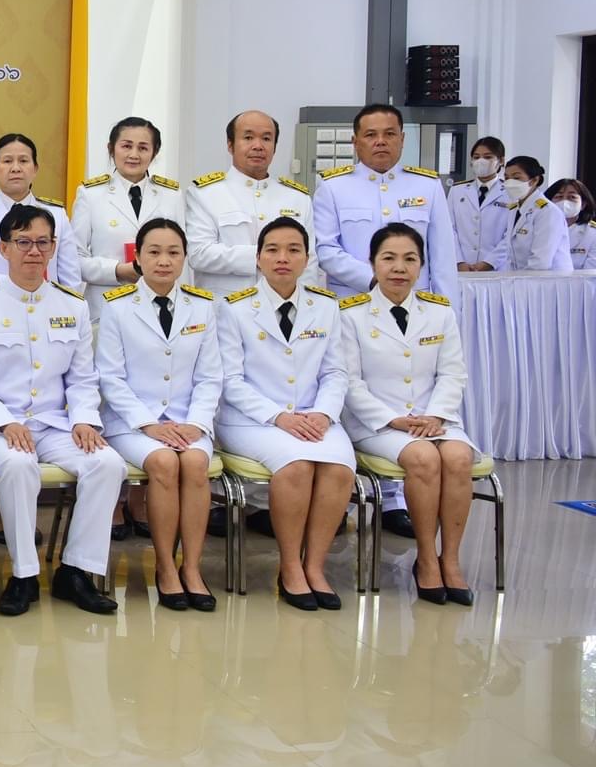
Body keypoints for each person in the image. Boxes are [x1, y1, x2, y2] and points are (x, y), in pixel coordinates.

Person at [0, 203, 121, 616]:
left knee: (107, 464)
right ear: (3, 248)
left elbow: (82, 379)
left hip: (53, 423)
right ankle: (24, 575)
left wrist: (84, 420)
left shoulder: (73, 306)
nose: (33, 251)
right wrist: (4, 423)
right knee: (17, 465)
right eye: (23, 242)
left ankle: (76, 572)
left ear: (53, 248)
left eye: (42, 243)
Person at [215, 216, 354, 612]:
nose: (282, 258)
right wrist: (279, 417)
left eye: (293, 250)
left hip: (314, 417)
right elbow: (231, 381)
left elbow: (335, 372)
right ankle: (290, 567)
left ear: (307, 259)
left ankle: (315, 567)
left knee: (339, 469)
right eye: (272, 250)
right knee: (296, 467)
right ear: (258, 258)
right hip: (252, 421)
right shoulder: (234, 308)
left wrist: (324, 414)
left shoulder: (325, 306)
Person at [336, 224, 478, 605]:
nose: (399, 268)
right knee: (423, 459)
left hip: (435, 419)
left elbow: (453, 373)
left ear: (421, 266)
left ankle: (451, 560)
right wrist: (392, 420)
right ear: (373, 264)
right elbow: (349, 382)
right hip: (378, 424)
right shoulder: (351, 315)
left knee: (459, 457)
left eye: (410, 259)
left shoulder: (439, 312)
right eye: (389, 258)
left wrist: (437, 415)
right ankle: (427, 559)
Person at [94, 219, 222, 612]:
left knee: (195, 463)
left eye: (173, 253)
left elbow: (210, 377)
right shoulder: (116, 306)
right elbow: (110, 379)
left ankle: (192, 568)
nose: (163, 261)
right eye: (154, 252)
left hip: (188, 421)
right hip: (132, 423)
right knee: (165, 463)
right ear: (138, 258)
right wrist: (149, 424)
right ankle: (166, 567)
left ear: (184, 258)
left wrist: (196, 424)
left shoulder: (203, 306)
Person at [311, 103, 457, 297]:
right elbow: (325, 249)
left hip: (413, 303)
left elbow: (443, 259)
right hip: (354, 301)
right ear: (355, 142)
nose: (380, 141)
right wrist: (372, 278)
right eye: (371, 135)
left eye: (389, 134)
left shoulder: (428, 186)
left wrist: (447, 310)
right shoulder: (333, 187)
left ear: (402, 139)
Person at [185, 109, 316, 298]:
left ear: (275, 147)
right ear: (230, 145)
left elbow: (309, 263)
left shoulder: (297, 198)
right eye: (248, 138)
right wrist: (265, 256)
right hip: (224, 307)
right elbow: (199, 254)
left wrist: (306, 305)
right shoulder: (204, 194)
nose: (258, 146)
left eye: (266, 138)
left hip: (283, 306)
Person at [70, 117, 184, 323]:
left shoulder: (171, 195)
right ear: (111, 149)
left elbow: (183, 253)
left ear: (155, 152)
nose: (134, 155)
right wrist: (117, 271)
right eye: (126, 146)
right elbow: (74, 258)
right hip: (106, 305)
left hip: (159, 305)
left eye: (143, 148)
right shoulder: (90, 194)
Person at [0, 133, 82, 295]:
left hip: (47, 305)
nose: (16, 168)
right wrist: (18, 283)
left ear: (35, 169)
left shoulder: (56, 214)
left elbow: (71, 279)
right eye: (7, 161)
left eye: (23, 161)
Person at [448, 136, 513, 271]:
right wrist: (459, 261)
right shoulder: (457, 191)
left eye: (488, 157)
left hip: (497, 268)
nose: (481, 161)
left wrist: (489, 262)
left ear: (501, 161)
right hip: (461, 268)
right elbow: (449, 229)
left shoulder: (510, 192)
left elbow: (510, 234)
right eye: (476, 157)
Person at [499, 156, 572, 272]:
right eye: (506, 178)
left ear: (534, 180)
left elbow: (541, 262)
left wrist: (518, 280)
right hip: (522, 278)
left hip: (548, 279)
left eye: (516, 178)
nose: (510, 183)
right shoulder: (514, 209)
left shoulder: (547, 212)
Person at [543, 178, 594, 269]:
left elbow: (591, 273)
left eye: (572, 197)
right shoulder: (539, 227)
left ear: (583, 204)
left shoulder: (592, 234)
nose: (564, 202)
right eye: (559, 197)